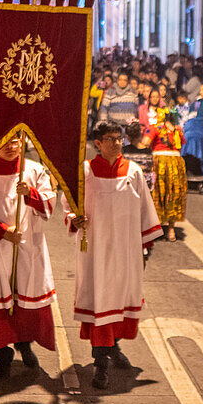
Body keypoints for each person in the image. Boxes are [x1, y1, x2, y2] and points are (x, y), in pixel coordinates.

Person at [69, 121, 163, 389]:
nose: (117, 143)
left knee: (120, 300)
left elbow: (145, 208)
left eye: (119, 138)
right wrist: (74, 219)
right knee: (100, 302)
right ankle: (101, 365)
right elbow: (70, 203)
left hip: (125, 250)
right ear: (97, 143)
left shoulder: (133, 171)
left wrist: (147, 247)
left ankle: (114, 347)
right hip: (95, 251)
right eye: (111, 138)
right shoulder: (85, 172)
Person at [0, 134, 57, 378]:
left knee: (25, 301)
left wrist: (31, 194)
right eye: (3, 141)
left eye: (15, 141)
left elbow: (50, 202)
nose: (10, 147)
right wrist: (2, 231)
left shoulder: (33, 170)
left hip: (27, 246)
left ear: (23, 143)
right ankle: (1, 353)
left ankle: (25, 345)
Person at [152, 109, 186, 241]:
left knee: (168, 194)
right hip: (164, 163)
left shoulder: (177, 130)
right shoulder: (157, 129)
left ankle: (167, 227)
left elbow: (145, 142)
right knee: (165, 194)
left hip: (170, 164)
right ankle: (162, 227)